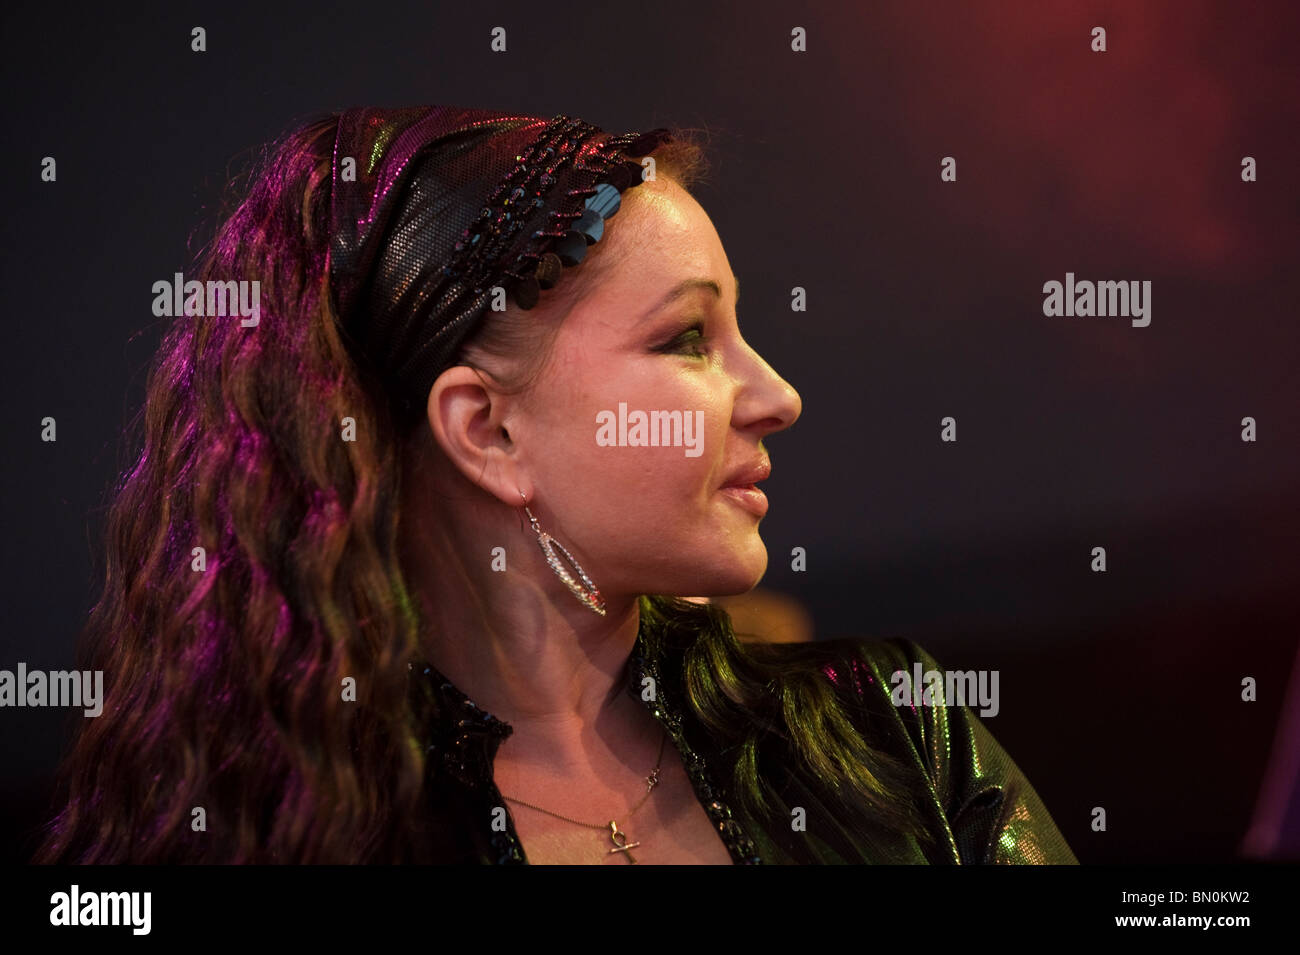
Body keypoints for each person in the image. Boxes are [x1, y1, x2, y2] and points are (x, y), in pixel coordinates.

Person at [33, 105, 1077, 864]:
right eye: (686, 338)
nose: (776, 395)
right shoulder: (274, 836)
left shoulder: (890, 732)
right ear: (486, 431)